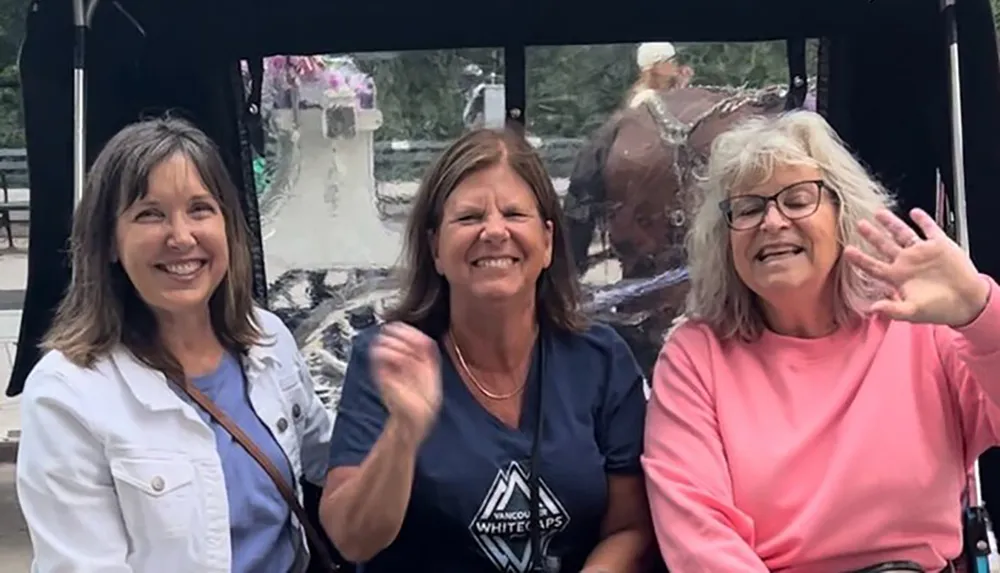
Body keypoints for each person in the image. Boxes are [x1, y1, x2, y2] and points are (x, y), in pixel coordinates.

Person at [641, 109, 1000, 573]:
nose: (771, 222)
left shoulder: (918, 322)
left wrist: (979, 310)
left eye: (797, 199)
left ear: (843, 213)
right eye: (748, 208)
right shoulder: (695, 355)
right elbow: (700, 541)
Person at [319, 128, 654, 572]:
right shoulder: (387, 358)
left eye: (515, 214)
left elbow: (630, 528)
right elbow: (352, 540)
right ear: (435, 246)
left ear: (548, 241)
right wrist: (403, 433)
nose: (494, 231)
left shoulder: (602, 360)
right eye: (469, 217)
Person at [15, 117, 334, 572]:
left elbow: (330, 461)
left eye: (200, 209)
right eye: (150, 214)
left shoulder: (268, 341)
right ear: (108, 242)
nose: (181, 237)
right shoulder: (69, 392)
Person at [626, 42, 693, 109]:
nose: (675, 63)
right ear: (655, 67)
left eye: (674, 59)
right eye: (669, 60)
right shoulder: (643, 98)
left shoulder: (673, 85)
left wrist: (682, 86)